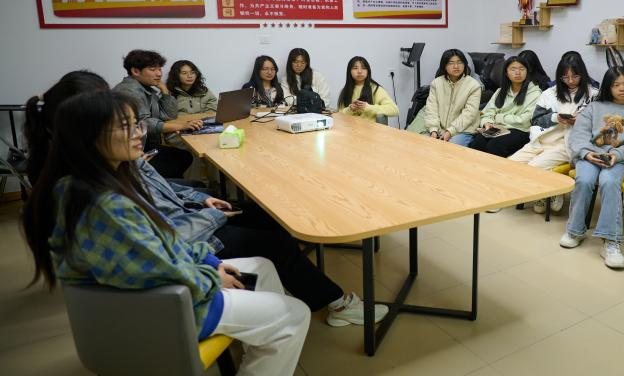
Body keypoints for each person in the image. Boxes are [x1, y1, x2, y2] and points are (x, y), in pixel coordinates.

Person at [26, 72, 388, 327]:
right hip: (191, 237)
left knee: (270, 218)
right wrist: (209, 241)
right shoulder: (97, 191)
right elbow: (161, 240)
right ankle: (330, 302)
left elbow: (163, 194)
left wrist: (202, 200)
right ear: (81, 125)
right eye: (120, 121)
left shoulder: (104, 162)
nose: (134, 129)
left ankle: (287, 291)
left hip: (190, 221)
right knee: (273, 240)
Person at [21, 90, 310, 374]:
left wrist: (210, 261)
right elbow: (159, 270)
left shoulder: (91, 181)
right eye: (125, 127)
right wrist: (211, 276)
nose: (139, 134)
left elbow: (164, 241)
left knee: (263, 267)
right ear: (88, 138)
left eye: (137, 124)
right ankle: (271, 338)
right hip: (162, 308)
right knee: (295, 315)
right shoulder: (105, 204)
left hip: (158, 291)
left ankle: (261, 339)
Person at [559, 66, 624, 270]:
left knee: (609, 181)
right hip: (591, 154)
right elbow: (578, 135)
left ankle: (611, 241)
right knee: (584, 179)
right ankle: (574, 230)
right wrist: (586, 153)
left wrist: (618, 155)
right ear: (608, 87)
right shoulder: (594, 108)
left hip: (621, 159)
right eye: (616, 84)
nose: (622, 88)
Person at [510, 52, 598, 214]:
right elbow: (536, 120)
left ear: (583, 74)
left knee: (534, 167)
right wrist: (556, 118)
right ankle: (550, 189)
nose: (570, 81)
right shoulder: (549, 93)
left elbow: (598, 125)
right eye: (565, 77)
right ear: (559, 76)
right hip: (541, 140)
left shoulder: (593, 95)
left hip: (565, 144)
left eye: (575, 76)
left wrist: (581, 121)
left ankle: (548, 192)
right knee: (510, 164)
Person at [113, 50, 200, 178]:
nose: (159, 74)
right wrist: (182, 126)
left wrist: (164, 90)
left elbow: (169, 115)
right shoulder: (130, 91)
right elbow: (145, 123)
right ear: (135, 71)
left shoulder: (146, 88)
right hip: (131, 154)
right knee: (182, 158)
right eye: (153, 69)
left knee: (184, 156)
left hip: (145, 146)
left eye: (159, 69)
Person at [469, 56, 541, 158]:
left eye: (522, 69)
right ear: (506, 73)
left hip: (521, 131)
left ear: (527, 72)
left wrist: (498, 117)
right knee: (477, 143)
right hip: (498, 128)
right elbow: (487, 112)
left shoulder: (535, 93)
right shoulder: (500, 91)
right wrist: (487, 123)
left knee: (494, 146)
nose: (518, 72)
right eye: (513, 69)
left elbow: (524, 121)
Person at [423, 49, 482, 146]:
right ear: (444, 66)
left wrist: (450, 131)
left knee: (450, 147)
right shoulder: (436, 83)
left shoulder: (473, 85)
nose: (456, 66)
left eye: (460, 62)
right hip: (440, 128)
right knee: (422, 143)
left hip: (463, 130)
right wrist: (433, 130)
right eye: (451, 63)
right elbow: (432, 109)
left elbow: (469, 114)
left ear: (465, 64)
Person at [337, 56, 398, 121]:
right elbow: (339, 115)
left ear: (368, 71)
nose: (359, 71)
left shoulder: (376, 89)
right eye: (355, 68)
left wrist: (368, 107)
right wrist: (350, 109)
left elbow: (394, 110)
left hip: (370, 127)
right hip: (349, 126)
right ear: (349, 71)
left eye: (363, 68)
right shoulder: (346, 90)